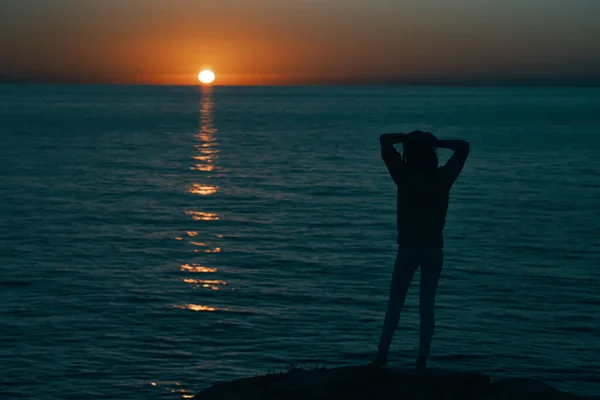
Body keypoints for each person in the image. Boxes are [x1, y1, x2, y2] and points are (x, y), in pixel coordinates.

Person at [373, 130, 469, 371]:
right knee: (427, 305)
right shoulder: (443, 177)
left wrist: (407, 137)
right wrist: (436, 142)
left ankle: (382, 355)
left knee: (395, 303)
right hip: (434, 248)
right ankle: (422, 360)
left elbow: (384, 140)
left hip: (408, 247)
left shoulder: (403, 175)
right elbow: (463, 147)